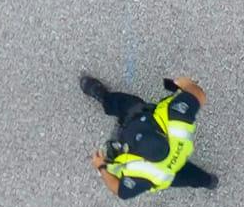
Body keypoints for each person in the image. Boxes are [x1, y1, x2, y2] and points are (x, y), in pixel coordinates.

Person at [80, 74, 218, 198]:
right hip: (175, 158)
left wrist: (101, 167)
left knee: (128, 106)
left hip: (163, 165)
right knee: (188, 175)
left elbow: (120, 191)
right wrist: (187, 84)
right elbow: (199, 95)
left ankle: (104, 97)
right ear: (160, 132)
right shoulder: (176, 118)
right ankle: (208, 181)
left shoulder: (145, 174)